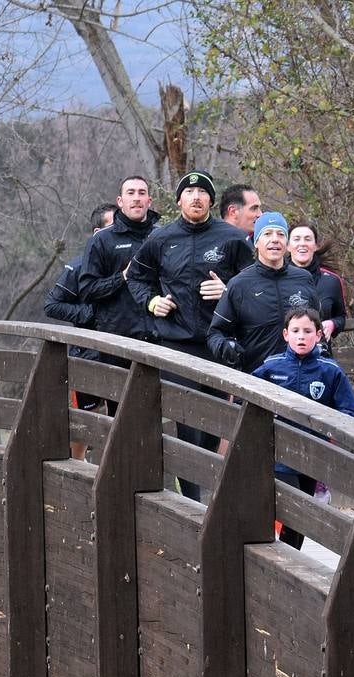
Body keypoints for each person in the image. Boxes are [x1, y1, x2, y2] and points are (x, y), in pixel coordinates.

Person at [127, 169, 255, 501]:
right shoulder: (161, 239)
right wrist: (152, 301)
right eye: (189, 193)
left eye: (202, 193)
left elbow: (254, 281)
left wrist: (228, 290)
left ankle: (205, 489)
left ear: (212, 201)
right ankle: (192, 500)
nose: (195, 198)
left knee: (213, 421)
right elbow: (137, 278)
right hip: (176, 342)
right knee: (185, 418)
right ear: (180, 199)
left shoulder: (232, 238)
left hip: (215, 342)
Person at [253, 306, 354, 549]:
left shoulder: (330, 371)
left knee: (301, 514)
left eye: (307, 331)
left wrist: (332, 434)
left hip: (314, 455)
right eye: (295, 331)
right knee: (290, 505)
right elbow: (245, 397)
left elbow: (350, 410)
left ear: (319, 335)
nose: (301, 336)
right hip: (279, 453)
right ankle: (278, 554)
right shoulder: (271, 367)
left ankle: (292, 557)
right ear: (285, 335)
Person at [43, 202, 116, 459]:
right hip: (87, 355)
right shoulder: (79, 266)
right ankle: (76, 469)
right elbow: (52, 305)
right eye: (113, 227)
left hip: (125, 354)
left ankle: (113, 475)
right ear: (98, 233)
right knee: (86, 421)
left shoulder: (131, 264)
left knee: (123, 420)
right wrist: (88, 315)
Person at [207, 212, 318, 373]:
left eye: (281, 234)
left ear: (286, 243)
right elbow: (215, 333)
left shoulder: (304, 279)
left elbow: (317, 324)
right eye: (267, 234)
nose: (275, 239)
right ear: (256, 242)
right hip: (258, 378)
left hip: (302, 377)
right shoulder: (239, 284)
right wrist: (228, 348)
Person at [79, 175, 161, 361]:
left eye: (142, 193)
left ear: (149, 201)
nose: (136, 198)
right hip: (115, 342)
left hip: (159, 340)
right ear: (120, 201)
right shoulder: (101, 240)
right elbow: (87, 290)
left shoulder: (163, 237)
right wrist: (122, 277)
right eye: (130, 193)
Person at [287, 220, 347, 356]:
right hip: (283, 357)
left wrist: (333, 324)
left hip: (320, 357)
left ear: (315, 246)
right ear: (288, 246)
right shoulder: (277, 279)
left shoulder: (332, 281)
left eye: (307, 239)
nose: (302, 243)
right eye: (297, 239)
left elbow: (341, 317)